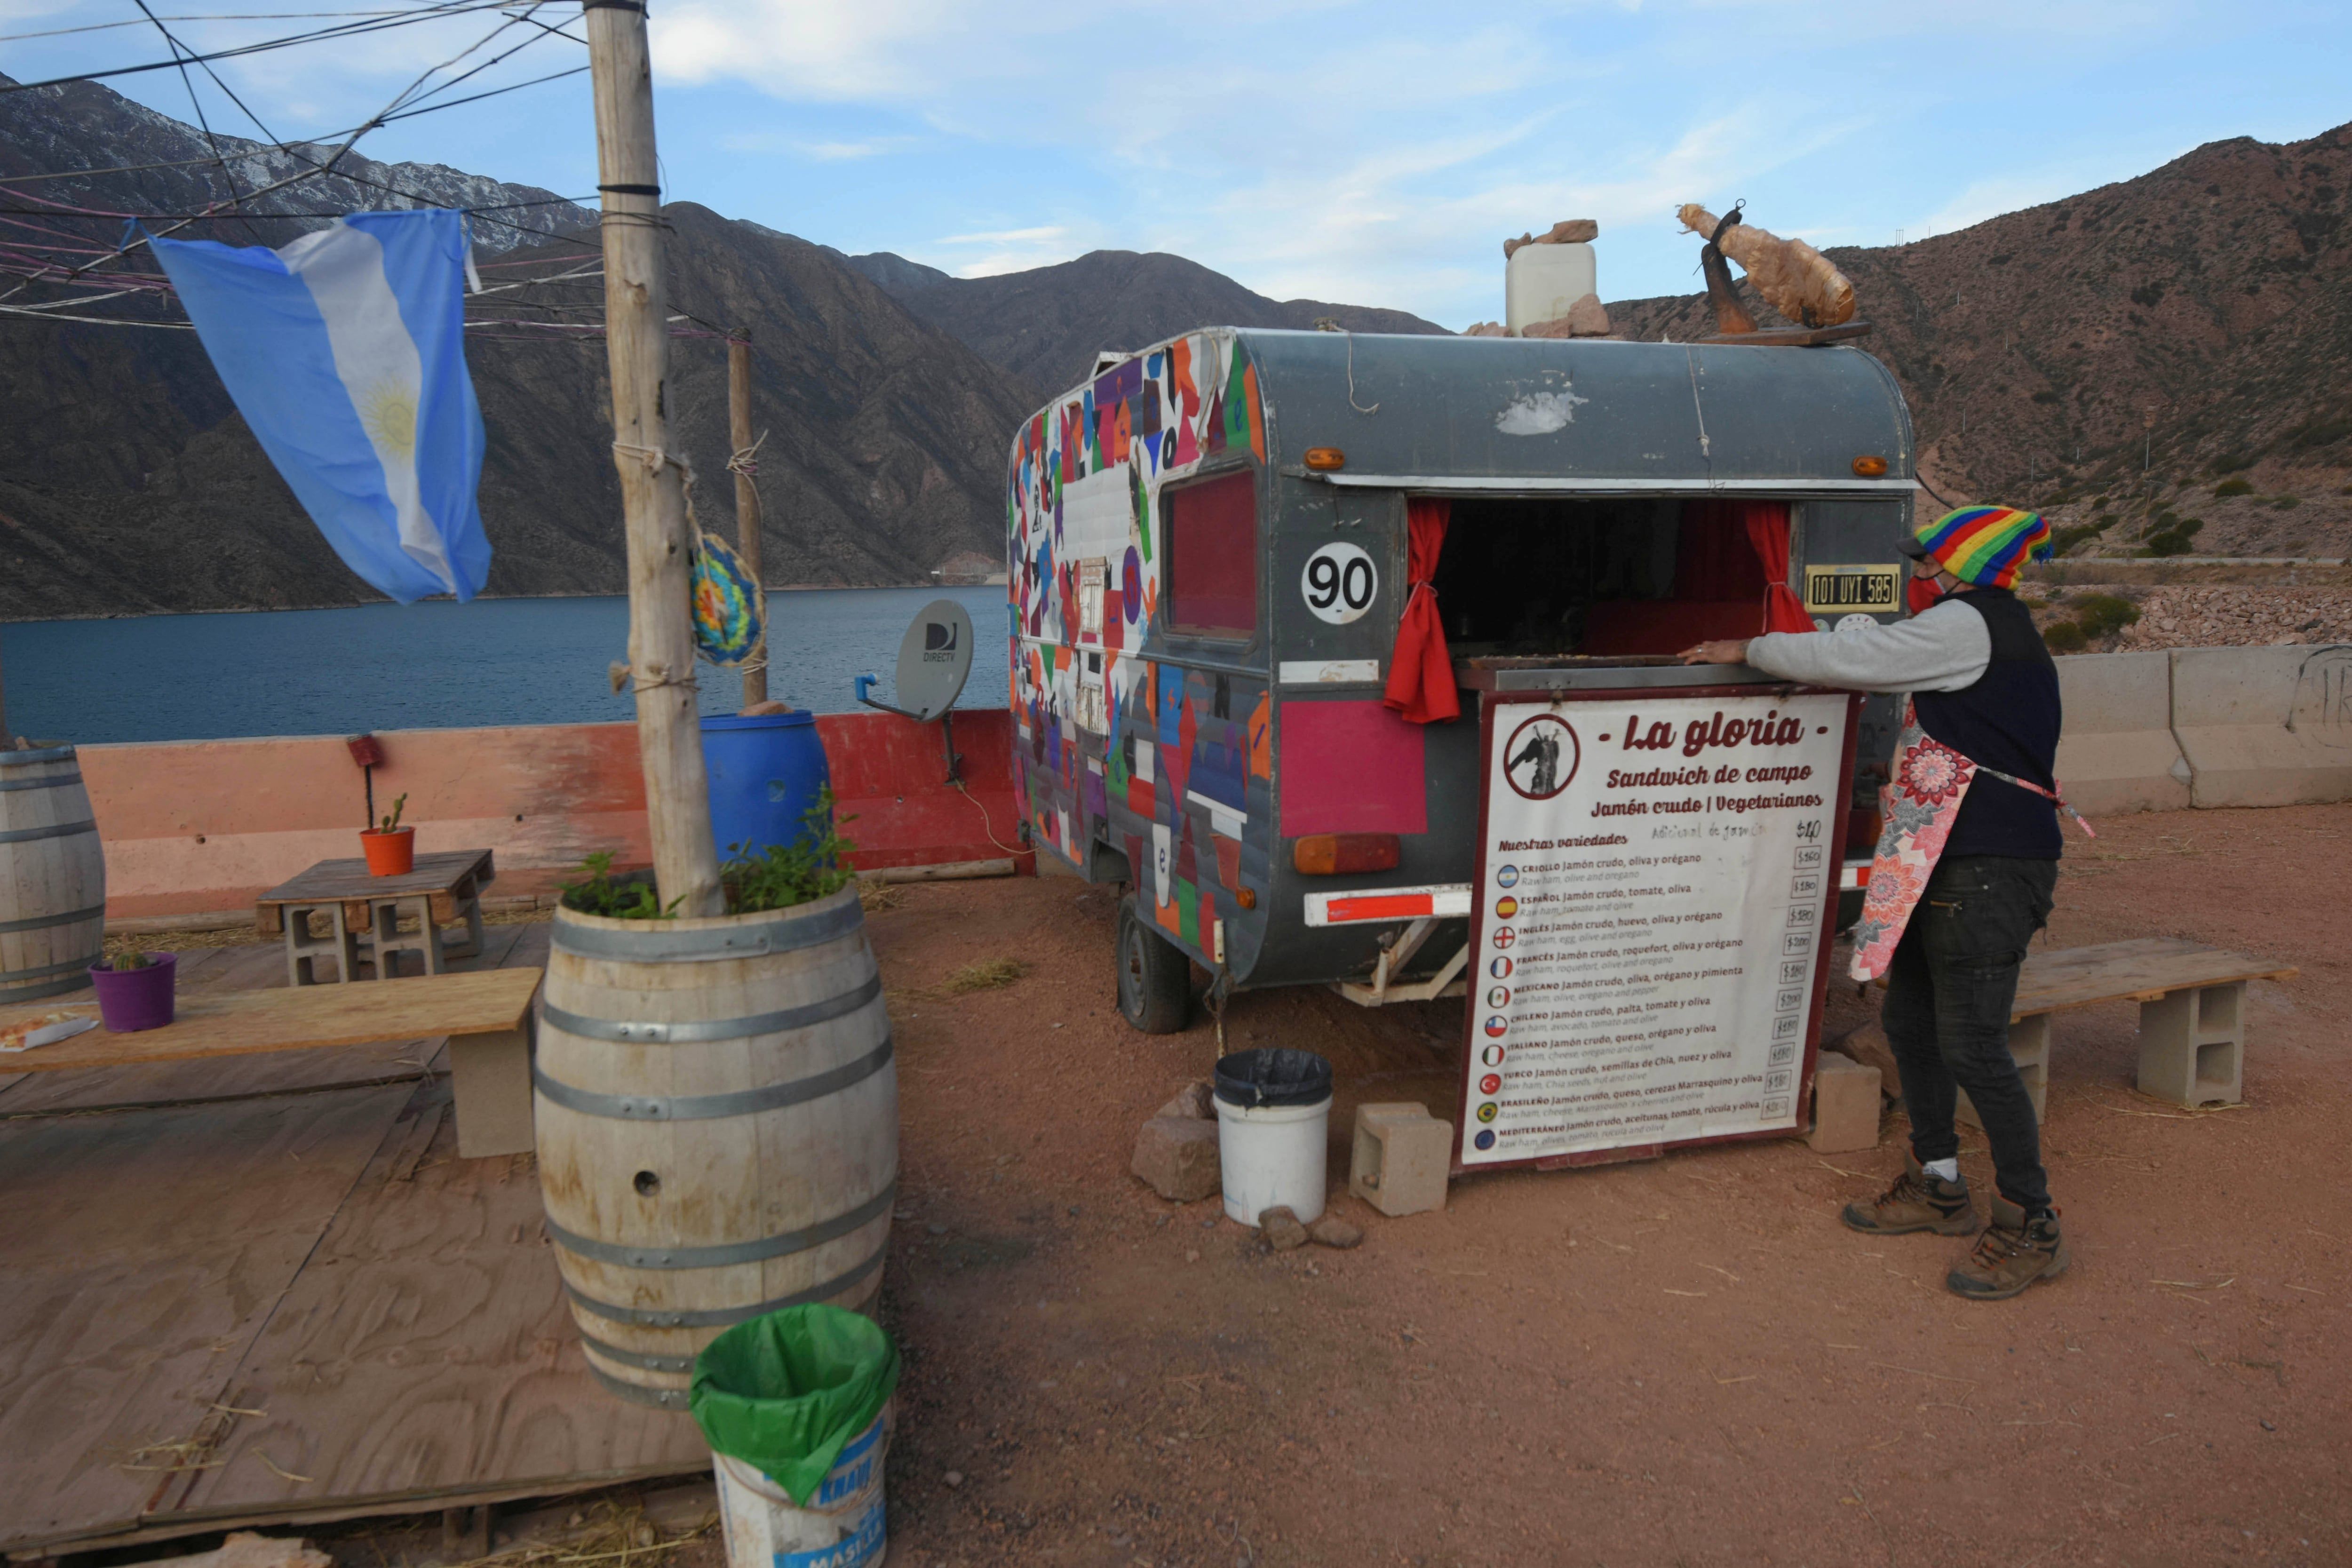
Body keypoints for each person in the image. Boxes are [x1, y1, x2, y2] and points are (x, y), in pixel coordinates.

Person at [1679, 505, 2073, 1301]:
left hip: (1987, 863)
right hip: (1943, 855)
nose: (1919, 575)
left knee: (1972, 1043)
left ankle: (2032, 1218)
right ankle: (1937, 1182)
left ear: (1964, 570)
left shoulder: (1970, 625)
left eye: (1929, 562)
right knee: (1911, 1022)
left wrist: (1750, 649)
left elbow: (1861, 652)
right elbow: (1875, 640)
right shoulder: (1978, 627)